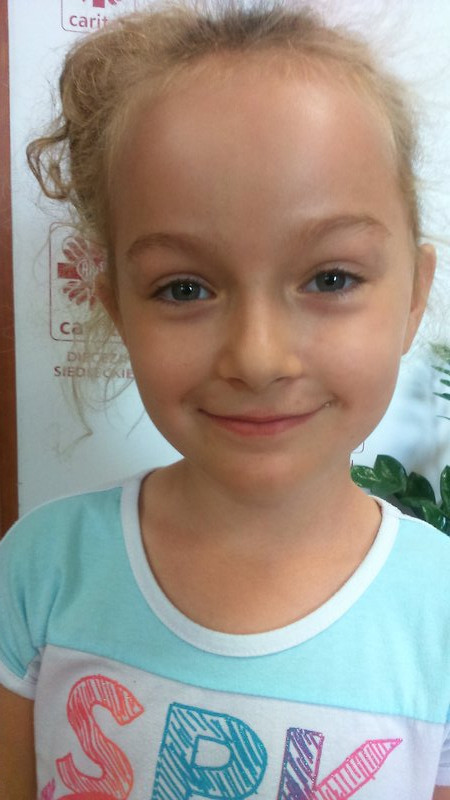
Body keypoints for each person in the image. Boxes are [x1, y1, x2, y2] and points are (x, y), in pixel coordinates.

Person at [0, 2, 448, 798]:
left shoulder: (438, 612)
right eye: (184, 288)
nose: (258, 358)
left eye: (330, 278)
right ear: (117, 308)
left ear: (414, 294)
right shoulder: (42, 569)